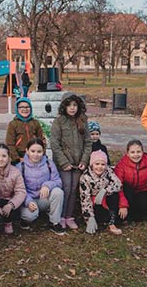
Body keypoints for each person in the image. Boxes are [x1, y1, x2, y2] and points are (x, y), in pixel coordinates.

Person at [50, 94, 91, 230]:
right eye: (69, 105)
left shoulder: (83, 120)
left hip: (78, 162)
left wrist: (84, 160)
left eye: (75, 105)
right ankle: (60, 216)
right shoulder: (59, 121)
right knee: (66, 188)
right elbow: (55, 144)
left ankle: (69, 216)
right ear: (64, 106)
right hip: (64, 164)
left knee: (74, 189)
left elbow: (87, 143)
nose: (72, 108)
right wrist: (63, 162)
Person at [17, 139, 65, 234]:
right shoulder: (20, 166)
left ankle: (54, 222)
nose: (36, 154)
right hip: (28, 200)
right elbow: (18, 189)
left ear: (43, 152)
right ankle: (24, 220)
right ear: (27, 151)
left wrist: (47, 185)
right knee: (30, 216)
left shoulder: (49, 164)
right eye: (33, 151)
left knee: (58, 192)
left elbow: (58, 181)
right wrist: (28, 201)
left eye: (39, 151)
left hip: (43, 199)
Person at [0, 143, 27, 235]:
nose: (1, 159)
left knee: (14, 206)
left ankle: (8, 222)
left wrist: (11, 205)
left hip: (8, 199)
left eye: (4, 156)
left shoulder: (15, 172)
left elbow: (21, 191)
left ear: (8, 157)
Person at [79, 150, 123, 235]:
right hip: (94, 203)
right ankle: (95, 219)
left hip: (106, 199)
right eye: (97, 164)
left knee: (114, 195)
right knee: (98, 216)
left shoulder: (108, 171)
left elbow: (118, 184)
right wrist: (89, 217)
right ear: (92, 164)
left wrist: (105, 190)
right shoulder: (85, 177)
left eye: (103, 164)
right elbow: (85, 199)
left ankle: (111, 223)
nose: (100, 167)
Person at [6, 97, 45, 164]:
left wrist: (41, 154)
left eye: (27, 107)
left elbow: (42, 140)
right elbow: (10, 143)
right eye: (21, 107)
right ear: (17, 109)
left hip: (35, 154)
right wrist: (17, 158)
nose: (25, 109)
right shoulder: (13, 124)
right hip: (20, 155)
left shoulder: (35, 123)